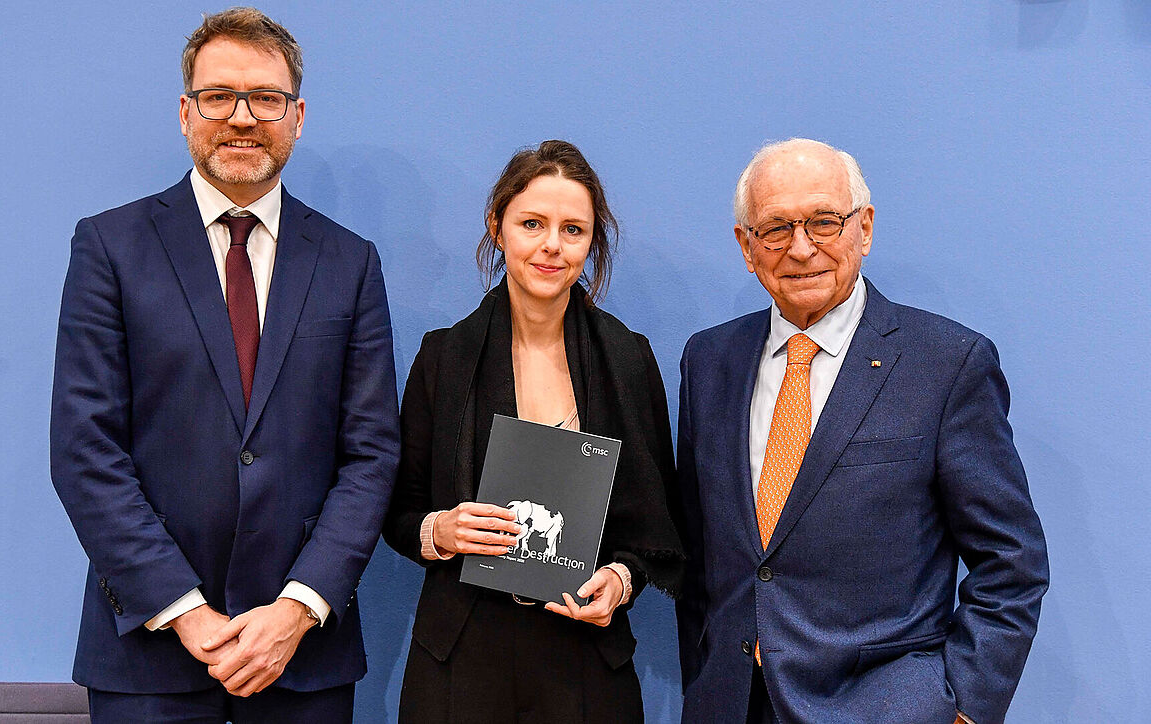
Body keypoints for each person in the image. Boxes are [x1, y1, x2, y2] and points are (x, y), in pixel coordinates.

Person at [49, 8, 398, 722]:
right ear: (186, 111)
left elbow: (371, 454)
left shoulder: (350, 262)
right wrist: (187, 615)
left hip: (303, 659)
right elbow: (85, 449)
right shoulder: (110, 248)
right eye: (219, 96)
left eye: (265, 98)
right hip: (148, 654)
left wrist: (298, 610)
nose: (242, 117)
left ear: (297, 115)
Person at [675, 138, 1048, 724]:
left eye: (824, 222)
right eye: (776, 228)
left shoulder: (946, 363)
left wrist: (965, 708)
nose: (801, 249)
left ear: (864, 229)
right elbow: (703, 557)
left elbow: (1012, 561)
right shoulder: (709, 361)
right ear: (747, 247)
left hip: (887, 708)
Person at [382, 140, 684, 723]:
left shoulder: (628, 360)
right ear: (498, 227)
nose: (552, 245)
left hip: (586, 654)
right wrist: (439, 530)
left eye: (573, 229)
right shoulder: (443, 358)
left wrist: (621, 582)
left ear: (593, 241)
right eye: (532, 223)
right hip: (460, 655)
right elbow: (398, 512)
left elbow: (657, 524)